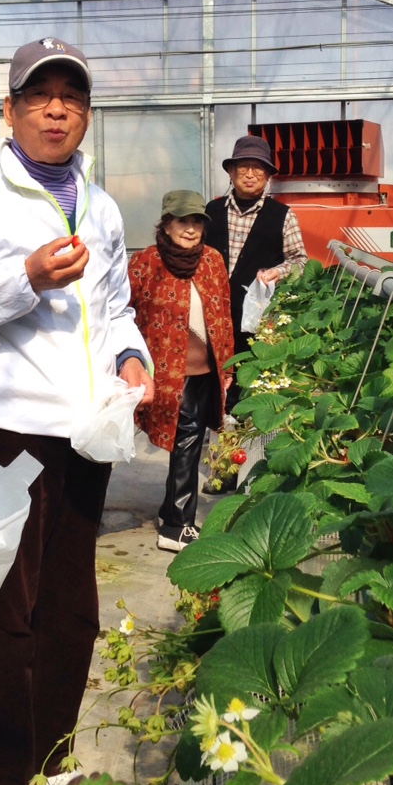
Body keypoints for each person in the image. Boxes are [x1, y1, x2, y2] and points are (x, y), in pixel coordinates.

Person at [0, 35, 154, 785]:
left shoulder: (101, 206)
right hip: (5, 429)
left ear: (86, 114)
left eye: (71, 97)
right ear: (10, 109)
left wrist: (130, 356)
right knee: (5, 616)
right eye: (40, 96)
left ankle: (51, 762)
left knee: (71, 614)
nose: (57, 110)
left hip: (85, 432)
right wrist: (25, 277)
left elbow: (115, 307)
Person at [128, 190, 234, 552]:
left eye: (196, 222)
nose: (190, 229)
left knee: (190, 439)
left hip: (206, 369)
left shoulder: (212, 260)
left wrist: (228, 364)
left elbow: (223, 311)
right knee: (185, 439)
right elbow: (126, 310)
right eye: (182, 221)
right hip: (166, 371)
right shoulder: (147, 262)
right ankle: (177, 525)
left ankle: (171, 513)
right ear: (166, 224)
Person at [204, 134, 307, 412]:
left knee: (251, 376)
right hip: (213, 314)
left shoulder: (283, 215)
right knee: (211, 375)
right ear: (231, 172)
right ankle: (215, 421)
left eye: (258, 168)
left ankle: (245, 424)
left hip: (257, 317)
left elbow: (299, 261)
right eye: (243, 167)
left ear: (268, 175)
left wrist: (277, 272)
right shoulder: (212, 211)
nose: (250, 174)